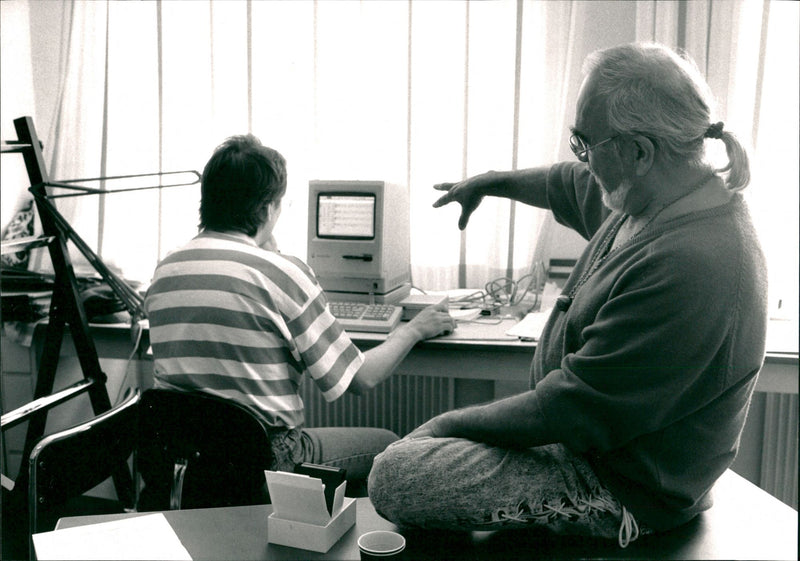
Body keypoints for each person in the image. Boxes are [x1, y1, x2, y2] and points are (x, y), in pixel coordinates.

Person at [367, 42, 767, 547]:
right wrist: (490, 183)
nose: (580, 156)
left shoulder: (695, 262)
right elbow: (565, 183)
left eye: (584, 141)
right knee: (401, 458)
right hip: (588, 443)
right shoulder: (656, 193)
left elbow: (571, 413)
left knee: (396, 475)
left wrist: (443, 425)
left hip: (622, 487)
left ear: (639, 152)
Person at [144, 135, 455, 488]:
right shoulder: (281, 273)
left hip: (185, 458)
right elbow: (361, 378)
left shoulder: (166, 268)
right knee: (385, 444)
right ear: (266, 209)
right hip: (265, 458)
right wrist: (412, 331)